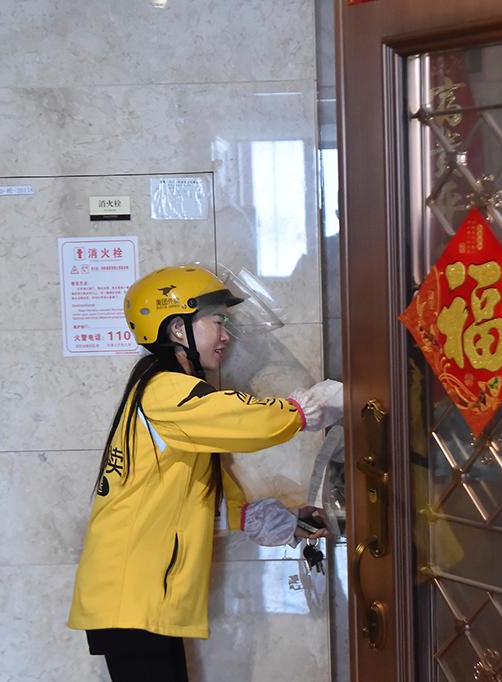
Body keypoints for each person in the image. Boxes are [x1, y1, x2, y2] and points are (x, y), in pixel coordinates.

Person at [67, 264, 343, 681]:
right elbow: (242, 421)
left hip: (135, 595)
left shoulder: (161, 390)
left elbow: (196, 484)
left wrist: (259, 517)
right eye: (217, 321)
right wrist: (303, 410)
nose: (226, 335)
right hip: (133, 595)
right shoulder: (166, 391)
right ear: (178, 329)